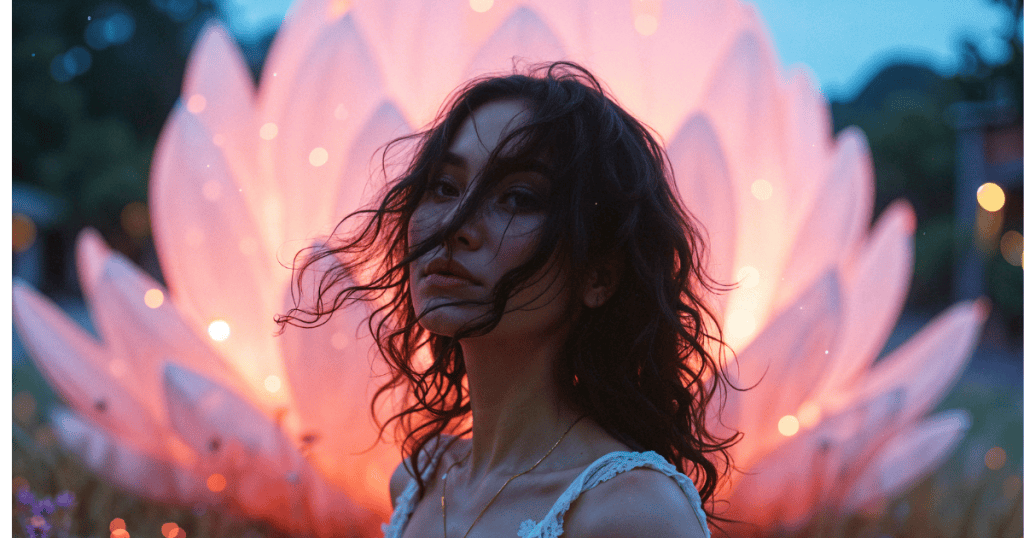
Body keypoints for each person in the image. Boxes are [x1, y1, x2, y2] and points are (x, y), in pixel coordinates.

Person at [278, 61, 737, 537]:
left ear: (599, 275)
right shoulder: (422, 479)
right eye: (444, 187)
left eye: (518, 197)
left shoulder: (629, 511)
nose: (454, 226)